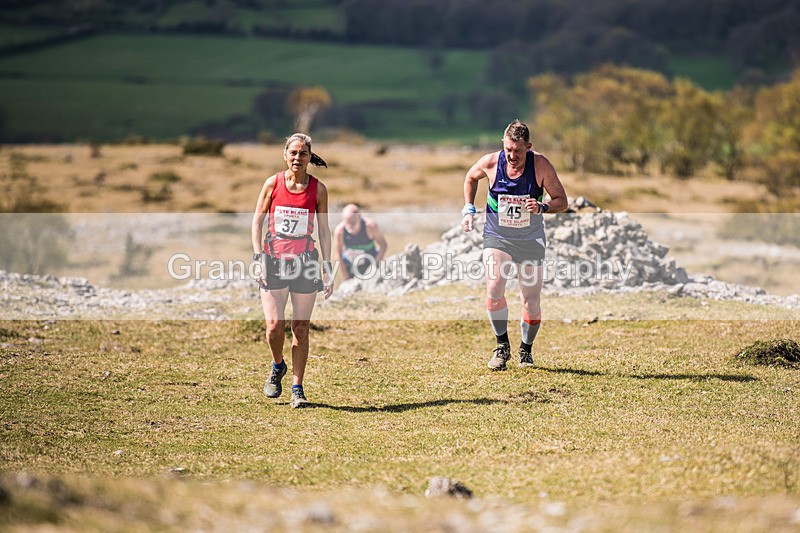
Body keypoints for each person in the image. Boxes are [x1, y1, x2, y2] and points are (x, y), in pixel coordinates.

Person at [461, 120, 568, 370]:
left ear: (528, 147)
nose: (512, 156)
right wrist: (468, 209)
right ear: (503, 144)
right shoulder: (490, 162)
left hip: (530, 238)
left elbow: (562, 201)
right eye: (508, 149)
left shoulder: (540, 165)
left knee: (530, 298)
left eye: (518, 151)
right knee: (495, 284)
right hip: (497, 234)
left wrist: (542, 207)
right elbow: (470, 178)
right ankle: (501, 347)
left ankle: (525, 351)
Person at [251, 133, 334, 408]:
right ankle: (278, 366)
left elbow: (323, 230)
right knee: (275, 327)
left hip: (306, 262)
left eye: (303, 153)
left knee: (300, 328)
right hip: (273, 260)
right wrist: (258, 257)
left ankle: (297, 388)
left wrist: (327, 266)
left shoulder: (318, 189)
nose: (298, 158)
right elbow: (257, 221)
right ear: (285, 155)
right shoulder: (272, 183)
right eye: (294, 153)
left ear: (310, 157)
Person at [333, 203, 387, 280]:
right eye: (347, 222)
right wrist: (344, 274)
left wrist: (376, 264)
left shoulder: (371, 227)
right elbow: (338, 253)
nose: (350, 226)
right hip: (351, 264)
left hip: (369, 261)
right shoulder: (340, 231)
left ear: (359, 217)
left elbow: (383, 245)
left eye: (353, 222)